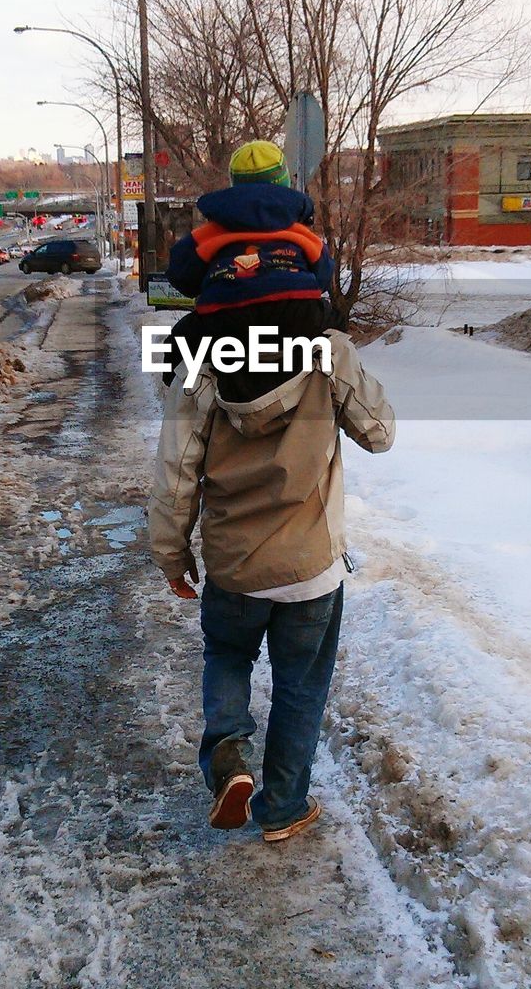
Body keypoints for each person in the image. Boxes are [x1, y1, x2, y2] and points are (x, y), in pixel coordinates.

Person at [148, 300, 396, 842]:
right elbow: (379, 432)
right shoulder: (325, 349)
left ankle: (229, 756)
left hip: (234, 566)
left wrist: (172, 555)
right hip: (311, 568)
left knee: (228, 655)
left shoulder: (197, 357)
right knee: (301, 686)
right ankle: (283, 806)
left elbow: (175, 475)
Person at [167, 140, 333, 316]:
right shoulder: (301, 234)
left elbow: (181, 275)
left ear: (234, 184)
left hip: (223, 311)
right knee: (334, 326)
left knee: (178, 341)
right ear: (284, 183)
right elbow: (323, 274)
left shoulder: (208, 234)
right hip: (298, 307)